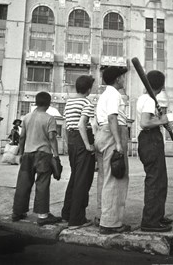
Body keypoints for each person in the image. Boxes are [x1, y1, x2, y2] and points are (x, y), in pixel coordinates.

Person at [11, 92, 62, 225]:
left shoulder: (27, 117)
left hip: (28, 154)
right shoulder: (50, 118)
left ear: (36, 102)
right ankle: (43, 216)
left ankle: (17, 212)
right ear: (49, 103)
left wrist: (21, 153)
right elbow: (51, 138)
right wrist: (56, 155)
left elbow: (22, 137)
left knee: (23, 183)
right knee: (42, 183)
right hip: (43, 155)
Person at [95, 66, 130, 235]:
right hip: (112, 134)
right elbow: (112, 117)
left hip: (102, 133)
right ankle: (110, 223)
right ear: (117, 79)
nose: (124, 80)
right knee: (116, 178)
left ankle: (103, 216)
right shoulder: (114, 95)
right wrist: (118, 143)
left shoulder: (104, 95)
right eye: (123, 77)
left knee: (104, 177)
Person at [136, 70, 173, 232]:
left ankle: (157, 215)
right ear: (162, 85)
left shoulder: (145, 98)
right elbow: (144, 123)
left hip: (149, 140)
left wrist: (159, 120)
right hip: (150, 140)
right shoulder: (150, 99)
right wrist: (161, 120)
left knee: (160, 180)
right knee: (155, 181)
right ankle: (150, 221)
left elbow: (148, 120)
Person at [61, 75, 96, 230]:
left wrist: (69, 143)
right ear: (88, 89)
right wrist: (88, 145)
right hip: (83, 140)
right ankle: (76, 219)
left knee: (75, 177)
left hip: (72, 141)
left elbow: (64, 126)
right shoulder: (87, 102)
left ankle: (67, 213)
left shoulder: (69, 102)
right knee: (83, 180)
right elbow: (82, 124)